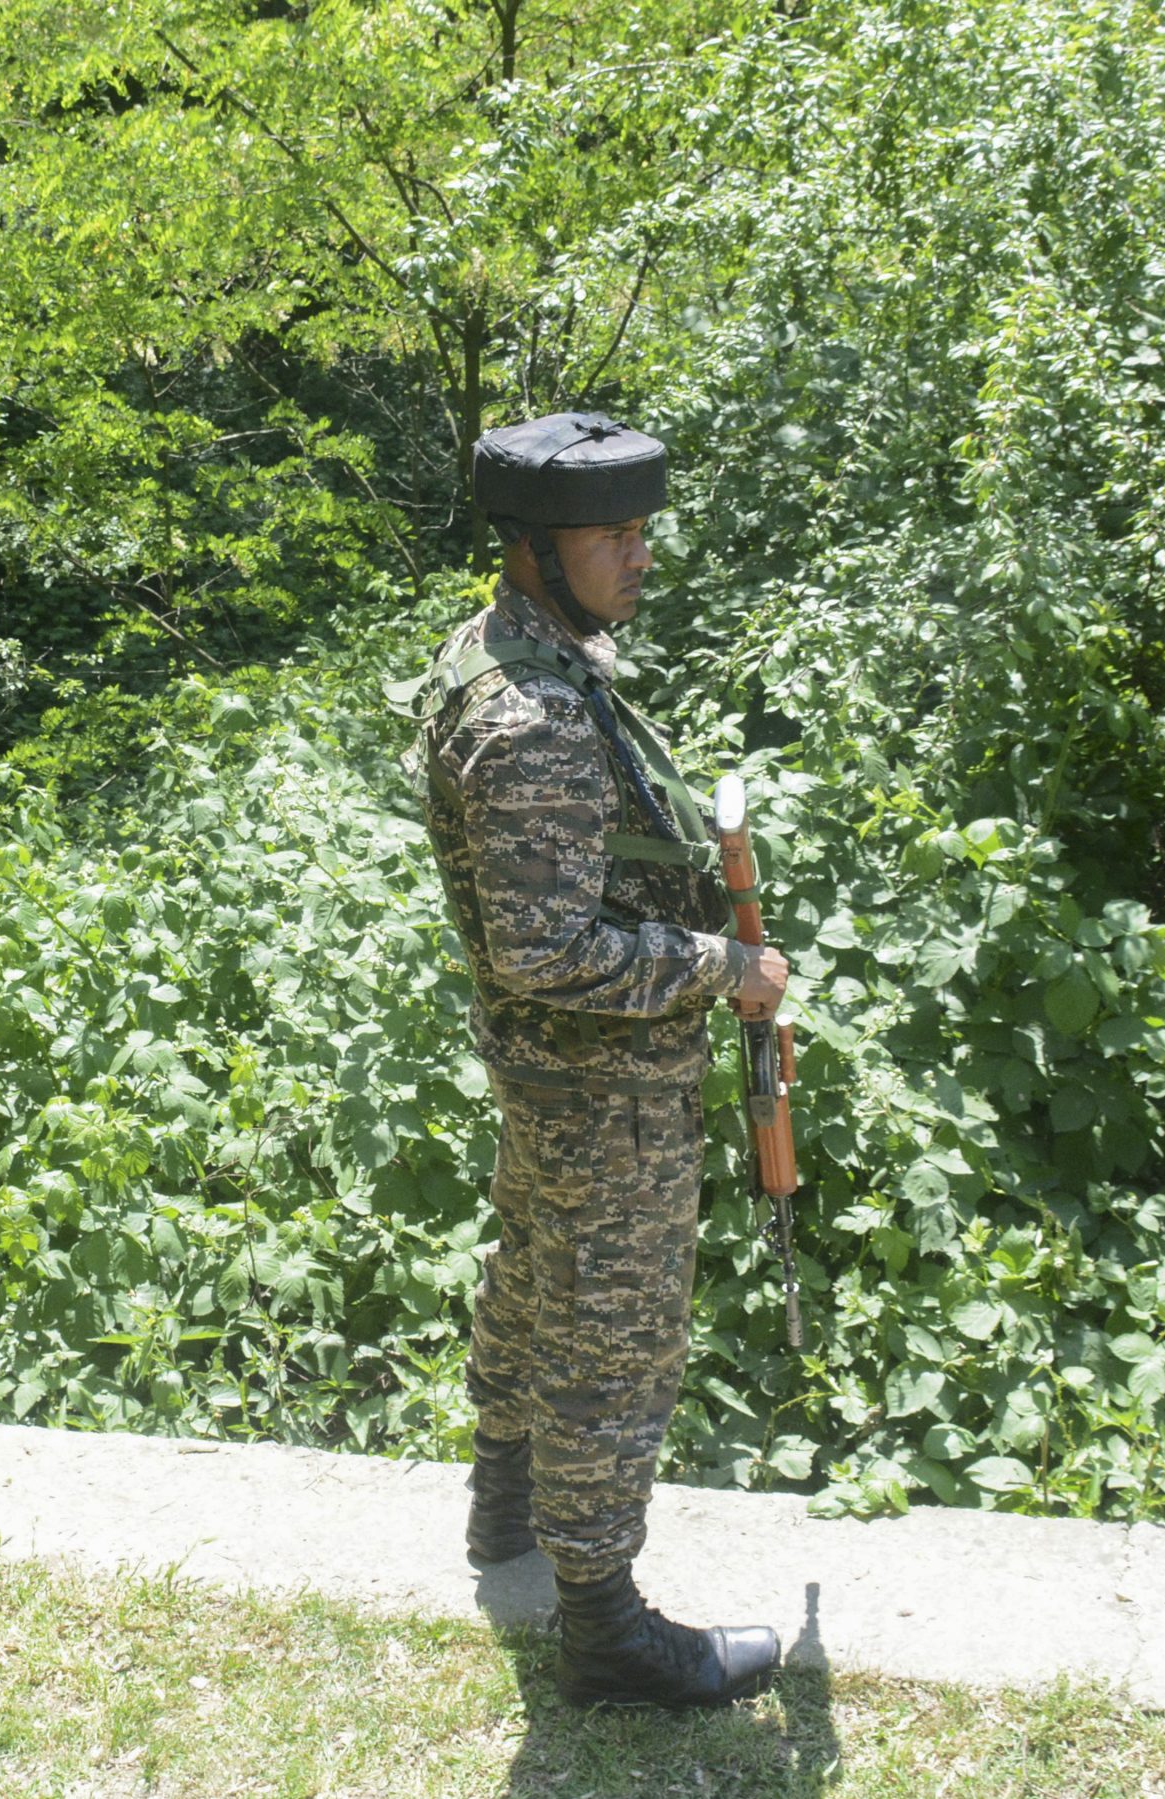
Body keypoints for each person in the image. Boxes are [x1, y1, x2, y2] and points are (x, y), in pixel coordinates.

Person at [387, 414, 791, 1708]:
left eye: (640, 528)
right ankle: (605, 1627)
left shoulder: (510, 654)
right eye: (612, 534)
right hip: (601, 1089)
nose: (640, 554)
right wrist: (725, 968)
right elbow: (544, 948)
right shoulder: (534, 716)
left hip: (556, 1080)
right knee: (610, 1345)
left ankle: (502, 1505)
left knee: (531, 1279)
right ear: (533, 549)